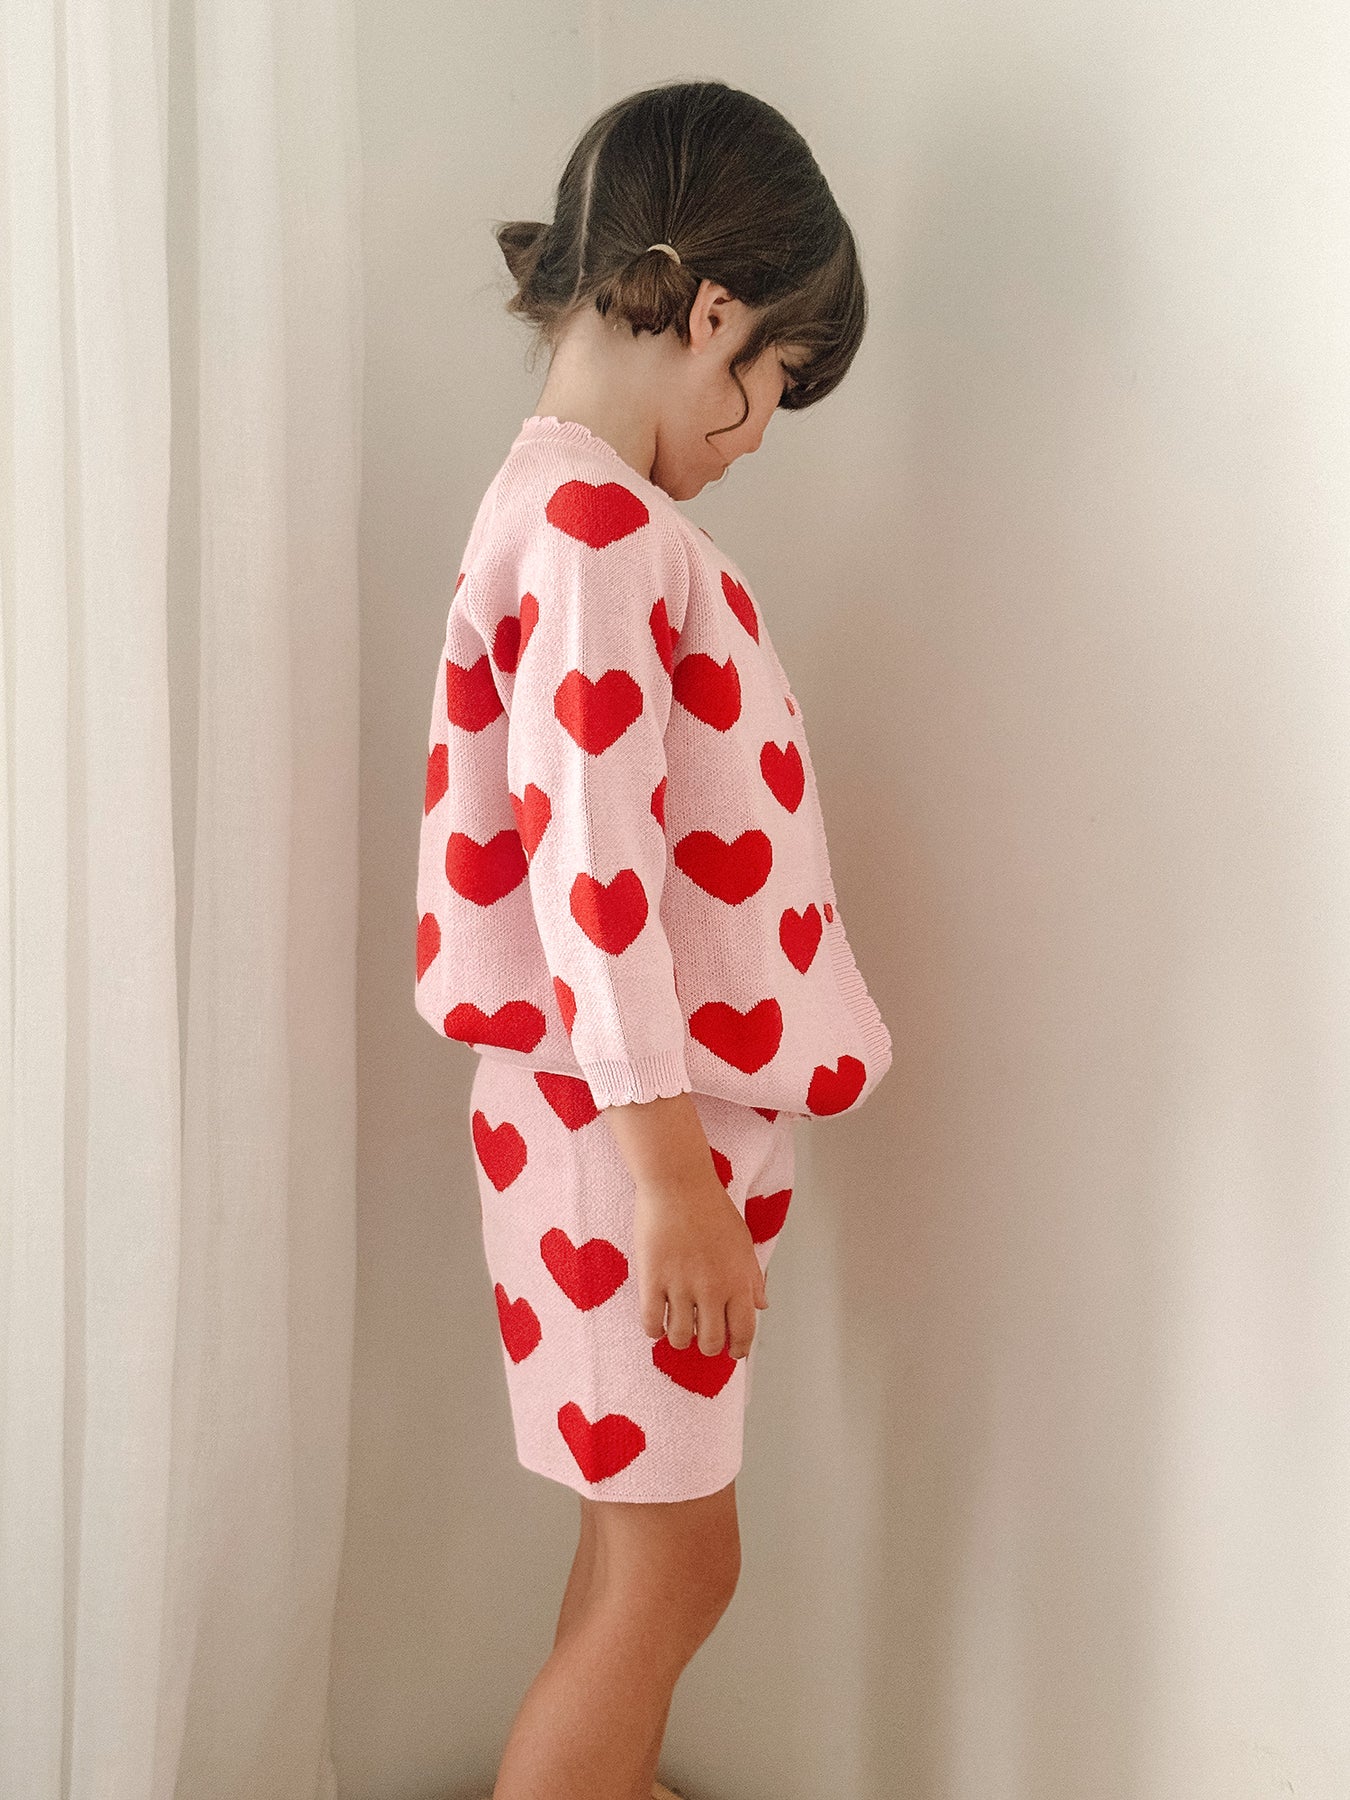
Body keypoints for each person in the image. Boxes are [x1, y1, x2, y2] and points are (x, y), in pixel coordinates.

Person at [413, 77, 893, 1800]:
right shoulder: (597, 531)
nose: (755, 432)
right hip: (626, 1139)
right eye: (773, 380)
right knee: (683, 1565)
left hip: (620, 1130)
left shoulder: (567, 515)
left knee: (643, 1546)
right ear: (710, 315)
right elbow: (594, 873)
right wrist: (675, 1182)